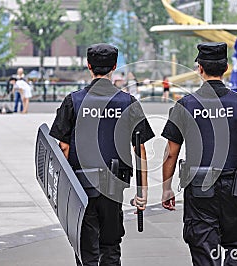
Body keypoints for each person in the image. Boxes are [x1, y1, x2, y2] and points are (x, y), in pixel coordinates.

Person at [160, 42, 237, 266]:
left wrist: (166, 188)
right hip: (235, 188)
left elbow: (171, 153)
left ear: (199, 68)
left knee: (203, 249)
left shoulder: (184, 105)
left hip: (200, 189)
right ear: (226, 68)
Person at [49, 43, 155, 266]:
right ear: (114, 67)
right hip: (113, 187)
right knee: (110, 246)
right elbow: (140, 148)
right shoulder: (128, 102)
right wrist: (142, 193)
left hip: (81, 187)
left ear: (89, 66)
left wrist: (62, 192)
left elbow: (63, 148)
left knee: (86, 249)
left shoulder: (73, 101)